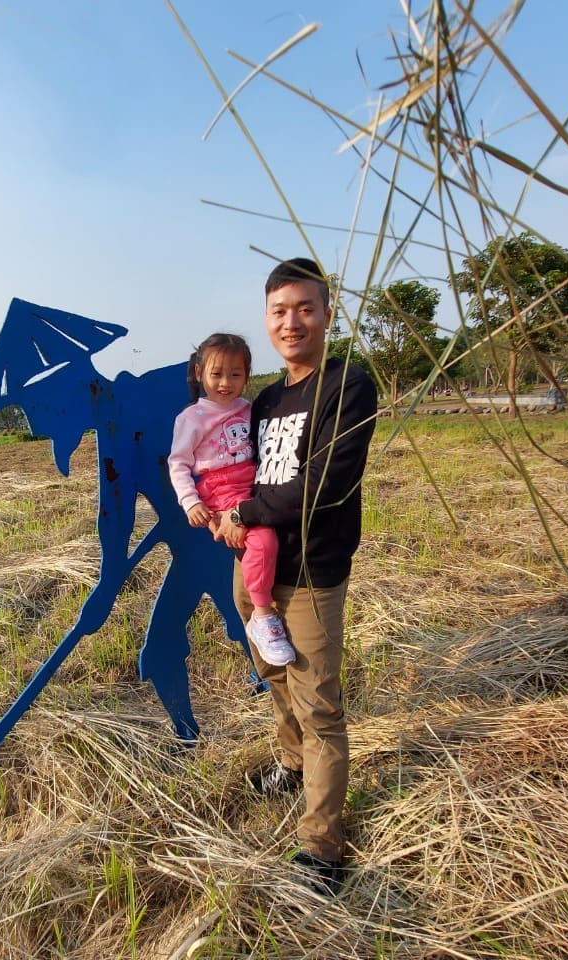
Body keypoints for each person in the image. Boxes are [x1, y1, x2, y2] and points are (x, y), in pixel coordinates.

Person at [212, 257, 377, 895]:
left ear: (327, 315)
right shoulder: (266, 401)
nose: (292, 322)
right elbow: (245, 471)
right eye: (279, 311)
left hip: (310, 574)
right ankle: (289, 765)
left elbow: (324, 485)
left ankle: (323, 848)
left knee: (320, 706)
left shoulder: (347, 385)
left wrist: (242, 511)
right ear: (267, 320)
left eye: (305, 308)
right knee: (273, 677)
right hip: (255, 566)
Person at [168, 333, 295, 666]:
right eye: (216, 374)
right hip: (221, 489)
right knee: (263, 541)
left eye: (236, 374)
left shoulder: (248, 409)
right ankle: (263, 615)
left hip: (253, 482)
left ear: (247, 376)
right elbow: (178, 463)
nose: (226, 382)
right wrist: (192, 503)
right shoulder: (192, 418)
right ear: (199, 373)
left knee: (277, 534)